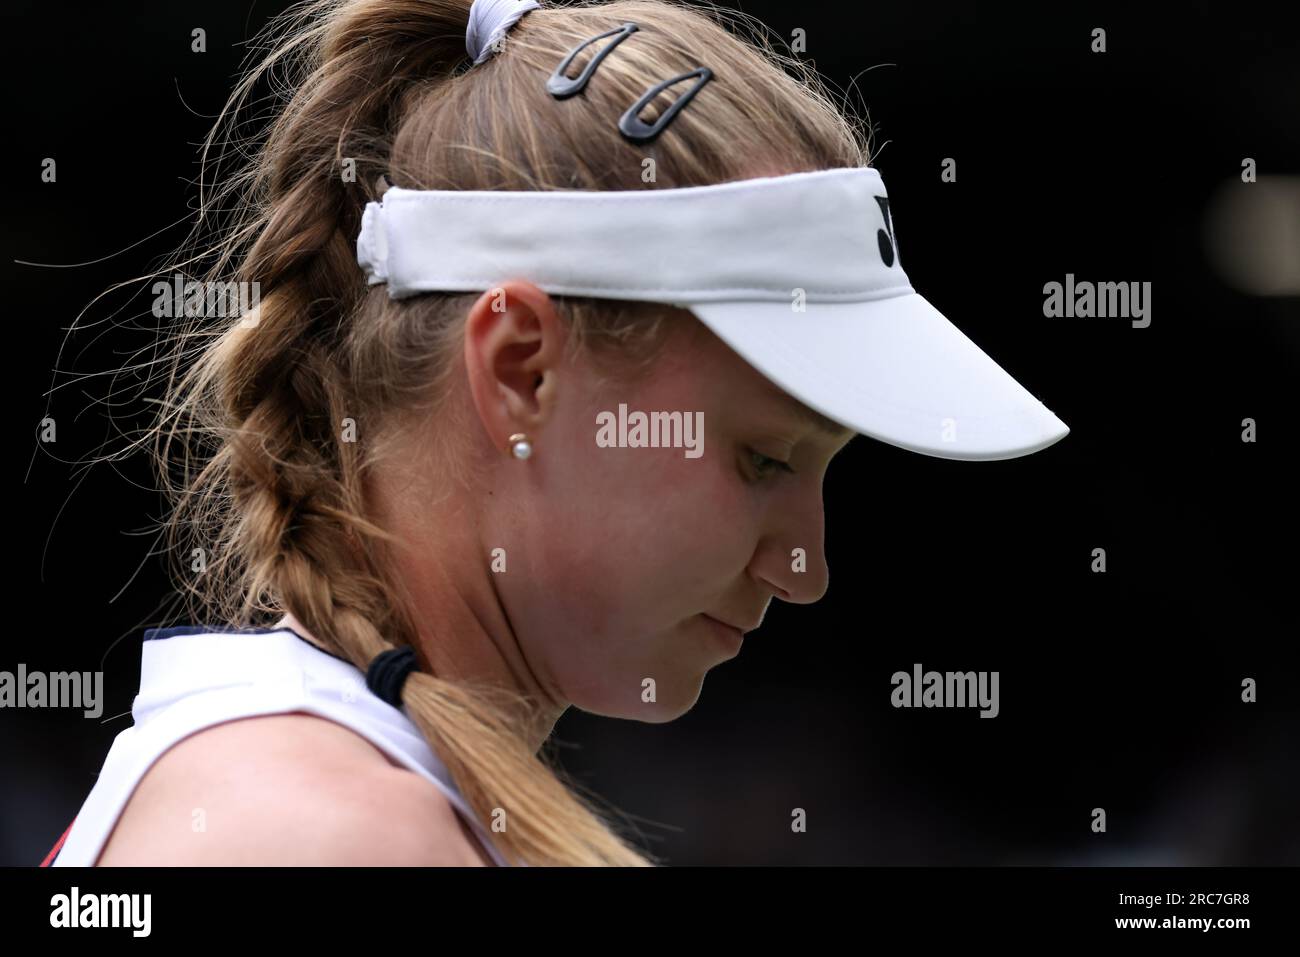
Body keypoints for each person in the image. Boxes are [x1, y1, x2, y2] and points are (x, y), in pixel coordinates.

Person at [43, 0, 1068, 868]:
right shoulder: (328, 830)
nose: (807, 571)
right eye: (761, 457)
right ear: (520, 368)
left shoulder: (345, 793)